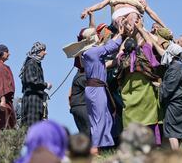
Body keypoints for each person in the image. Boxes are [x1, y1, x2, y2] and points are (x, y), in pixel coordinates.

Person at [81, 20, 125, 155]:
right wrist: (121, 34)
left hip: (93, 89)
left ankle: (98, 148)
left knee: (100, 118)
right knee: (100, 119)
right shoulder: (93, 52)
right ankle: (95, 150)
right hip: (97, 89)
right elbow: (110, 47)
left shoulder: (86, 53)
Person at [116, 37, 162, 145]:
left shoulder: (122, 59)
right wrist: (140, 30)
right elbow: (150, 42)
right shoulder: (145, 54)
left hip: (129, 98)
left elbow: (120, 52)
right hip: (147, 96)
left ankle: (134, 146)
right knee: (150, 122)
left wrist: (126, 37)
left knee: (132, 124)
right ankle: (154, 145)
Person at [160, 43, 182, 150]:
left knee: (172, 132)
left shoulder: (175, 67)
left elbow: (168, 89)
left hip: (174, 104)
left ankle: (176, 157)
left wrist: (160, 87)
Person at [20, 42, 52, 127]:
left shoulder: (36, 63)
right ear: (37, 51)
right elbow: (31, 80)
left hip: (36, 99)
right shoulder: (31, 63)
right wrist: (45, 85)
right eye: (43, 50)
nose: (45, 53)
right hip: (32, 100)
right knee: (32, 127)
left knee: (38, 126)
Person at [69, 30, 91, 136]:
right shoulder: (81, 77)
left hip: (77, 106)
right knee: (87, 131)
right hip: (81, 106)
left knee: (84, 131)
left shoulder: (79, 76)